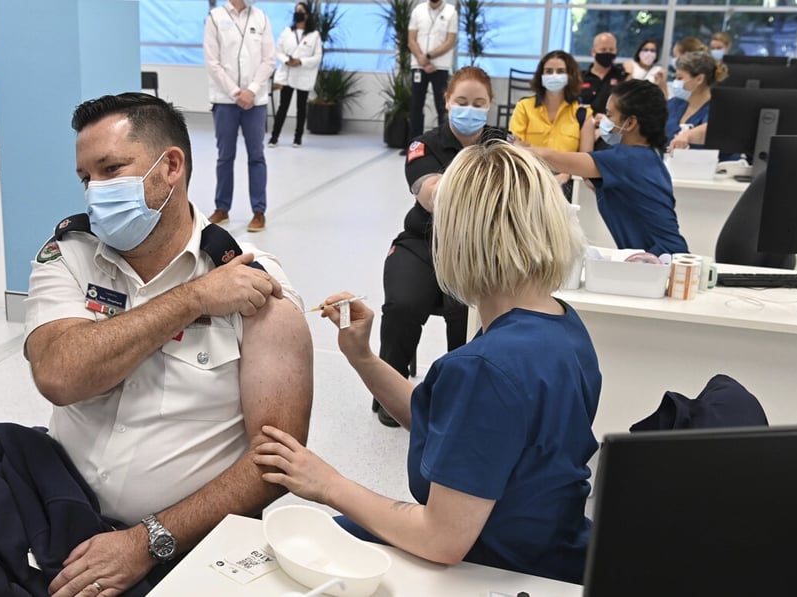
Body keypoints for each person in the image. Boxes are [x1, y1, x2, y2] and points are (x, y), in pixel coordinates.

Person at [0, 93, 314, 597]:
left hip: (176, 530)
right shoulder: (69, 255)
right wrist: (192, 299)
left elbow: (274, 462)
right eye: (87, 178)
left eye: (111, 169)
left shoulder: (254, 284)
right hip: (51, 488)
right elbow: (60, 377)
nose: (95, 192)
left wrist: (147, 541)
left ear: (170, 166)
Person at [254, 141, 602, 585]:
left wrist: (326, 483)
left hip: (503, 569)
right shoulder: (557, 326)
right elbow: (458, 427)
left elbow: (442, 539)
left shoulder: (487, 366)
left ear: (459, 236)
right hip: (557, 549)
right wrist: (363, 357)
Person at [375, 65, 510, 427]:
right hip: (422, 243)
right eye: (462, 101)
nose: (469, 108)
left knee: (465, 312)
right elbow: (431, 195)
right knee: (403, 305)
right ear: (447, 100)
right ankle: (390, 391)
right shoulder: (425, 144)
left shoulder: (502, 142)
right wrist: (486, 181)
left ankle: (462, 396)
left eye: (478, 102)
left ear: (490, 105)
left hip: (478, 251)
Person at [520, 79, 689, 255]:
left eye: (609, 115)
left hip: (662, 262)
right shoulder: (649, 156)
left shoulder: (626, 159)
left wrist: (511, 150)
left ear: (630, 123)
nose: (603, 122)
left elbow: (551, 157)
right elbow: (594, 182)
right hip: (659, 260)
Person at [203, 0, 276, 232]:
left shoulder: (261, 17)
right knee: (225, 156)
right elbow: (212, 62)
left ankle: (259, 212)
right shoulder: (215, 17)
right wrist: (236, 92)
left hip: (255, 101)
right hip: (225, 100)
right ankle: (222, 208)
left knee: (257, 155)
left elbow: (269, 60)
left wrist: (251, 90)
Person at [510, 50, 588, 200]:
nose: (554, 75)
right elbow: (515, 146)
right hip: (529, 178)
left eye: (560, 71)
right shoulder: (524, 107)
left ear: (570, 75)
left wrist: (567, 172)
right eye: (548, 71)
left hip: (566, 183)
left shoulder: (583, 113)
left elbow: (585, 159)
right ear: (541, 75)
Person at [269, 2, 322, 148]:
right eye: (296, 11)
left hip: (303, 74)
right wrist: (287, 60)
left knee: (301, 108)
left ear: (307, 15)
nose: (298, 14)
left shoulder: (314, 35)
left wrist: (301, 61)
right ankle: (274, 137)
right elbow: (277, 50)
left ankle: (297, 138)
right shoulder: (287, 32)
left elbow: (317, 57)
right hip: (288, 73)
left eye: (301, 11)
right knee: (283, 107)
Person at [406, 0, 459, 147]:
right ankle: (414, 144)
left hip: (440, 66)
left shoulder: (451, 12)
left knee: (442, 105)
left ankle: (443, 143)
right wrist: (422, 60)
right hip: (418, 64)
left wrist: (428, 57)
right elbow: (411, 39)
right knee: (416, 104)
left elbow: (450, 41)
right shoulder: (418, 10)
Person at [665, 51, 728, 150]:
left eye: (680, 78)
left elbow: (713, 129)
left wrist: (688, 135)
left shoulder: (718, 109)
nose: (676, 82)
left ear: (699, 79)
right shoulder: (673, 104)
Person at [579, 32, 626, 115]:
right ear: (593, 51)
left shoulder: (623, 77)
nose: (608, 53)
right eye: (603, 49)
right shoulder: (580, 78)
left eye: (611, 50)